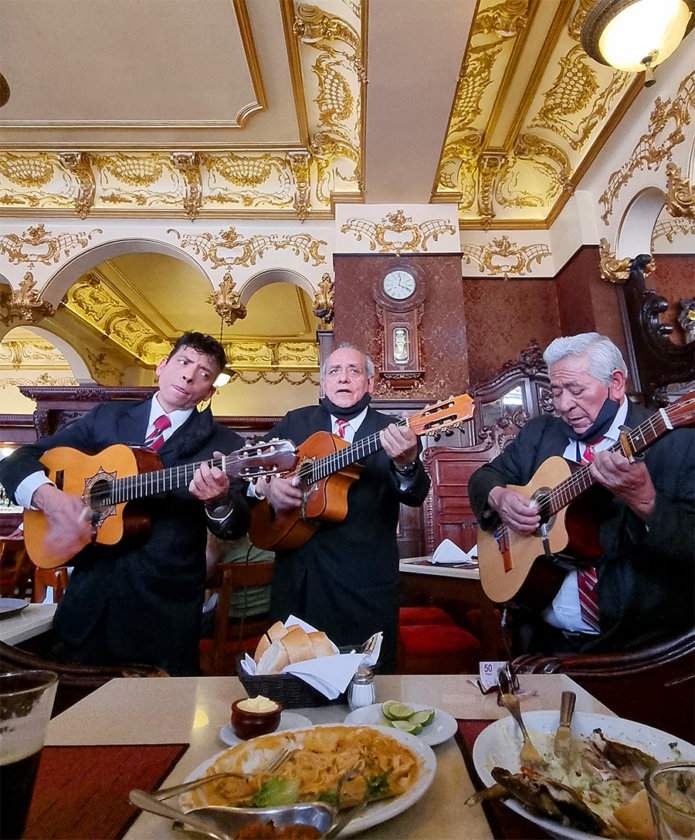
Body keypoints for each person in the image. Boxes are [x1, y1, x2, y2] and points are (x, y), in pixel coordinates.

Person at [0, 332, 251, 675]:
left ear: (209, 392)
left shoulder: (225, 444)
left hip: (163, 617)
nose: (190, 375)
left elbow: (235, 524)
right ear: (161, 367)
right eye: (183, 362)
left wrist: (219, 500)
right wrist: (53, 500)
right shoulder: (108, 419)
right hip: (86, 610)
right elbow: (18, 461)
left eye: (204, 374)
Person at [469, 332, 695, 655]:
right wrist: (499, 498)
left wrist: (648, 503)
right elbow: (483, 478)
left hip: (638, 649)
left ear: (616, 383)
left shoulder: (679, 446)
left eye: (575, 390)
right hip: (544, 646)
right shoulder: (539, 433)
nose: (562, 405)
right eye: (556, 391)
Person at [253, 344, 431, 672]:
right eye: (334, 371)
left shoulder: (392, 430)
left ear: (370, 383)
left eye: (354, 370)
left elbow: (415, 493)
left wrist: (407, 464)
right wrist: (266, 487)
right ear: (322, 384)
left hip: (364, 586)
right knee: (291, 688)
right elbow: (253, 466)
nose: (343, 378)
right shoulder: (295, 422)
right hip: (298, 583)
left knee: (365, 688)